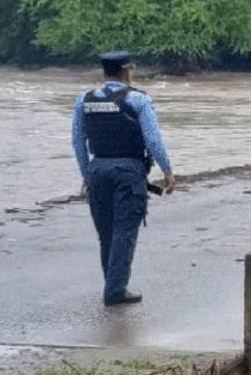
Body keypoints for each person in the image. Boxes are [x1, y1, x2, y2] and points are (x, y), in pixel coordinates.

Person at [71, 51, 175, 305]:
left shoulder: (83, 100)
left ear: (105, 72)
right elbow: (152, 139)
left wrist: (86, 173)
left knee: (105, 232)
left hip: (98, 170)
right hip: (129, 170)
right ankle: (115, 290)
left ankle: (113, 283)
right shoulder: (139, 100)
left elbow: (77, 141)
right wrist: (168, 170)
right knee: (124, 231)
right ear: (127, 71)